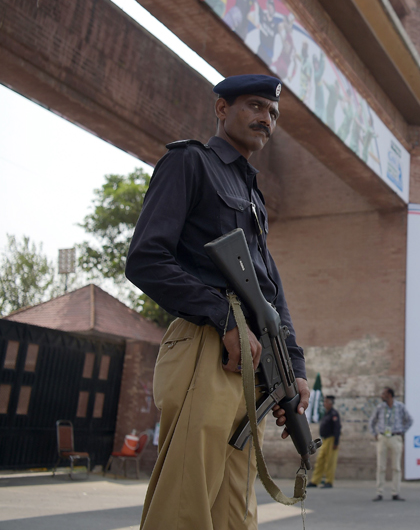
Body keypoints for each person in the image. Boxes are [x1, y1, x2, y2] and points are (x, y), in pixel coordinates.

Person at [126, 74, 309, 530]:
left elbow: (270, 290)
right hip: (210, 348)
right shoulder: (189, 163)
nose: (265, 119)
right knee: (186, 504)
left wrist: (295, 368)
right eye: (254, 106)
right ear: (221, 108)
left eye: (272, 113)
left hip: (254, 362)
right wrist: (223, 317)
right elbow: (145, 259)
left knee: (235, 510)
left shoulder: (253, 194)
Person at [368, 387, 413, 502]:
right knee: (381, 466)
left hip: (395, 436)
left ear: (390, 395)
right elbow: (372, 421)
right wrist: (375, 434)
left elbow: (409, 420)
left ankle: (395, 492)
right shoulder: (380, 407)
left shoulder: (400, 407)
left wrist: (402, 431)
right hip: (383, 437)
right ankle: (379, 492)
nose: (382, 396)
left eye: (384, 394)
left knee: (396, 467)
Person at [309, 395, 341, 488]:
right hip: (325, 439)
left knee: (330, 461)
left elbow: (337, 429)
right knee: (320, 460)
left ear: (330, 403)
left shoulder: (334, 414)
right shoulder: (326, 413)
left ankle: (329, 481)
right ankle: (315, 481)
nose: (324, 404)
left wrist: (336, 442)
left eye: (326, 402)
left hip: (331, 439)